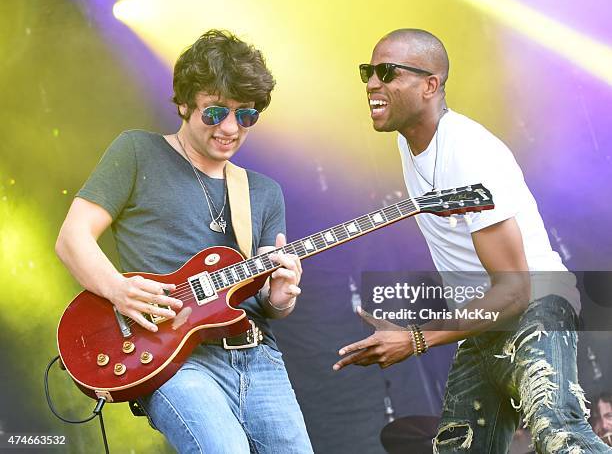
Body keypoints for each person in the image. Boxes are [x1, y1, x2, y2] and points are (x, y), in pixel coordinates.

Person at [333, 28, 612, 453]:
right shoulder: (410, 143)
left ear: (431, 85)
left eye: (387, 72)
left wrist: (416, 338)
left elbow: (515, 289)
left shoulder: (468, 151)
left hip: (535, 303)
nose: (372, 83)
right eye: (368, 72)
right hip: (482, 321)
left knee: (560, 434)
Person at [55, 29, 313, 454]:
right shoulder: (138, 152)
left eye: (245, 116)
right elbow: (72, 238)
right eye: (215, 113)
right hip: (175, 358)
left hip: (258, 356)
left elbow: (267, 303)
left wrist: (281, 297)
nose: (231, 128)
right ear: (183, 103)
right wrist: (118, 289)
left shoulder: (263, 192)